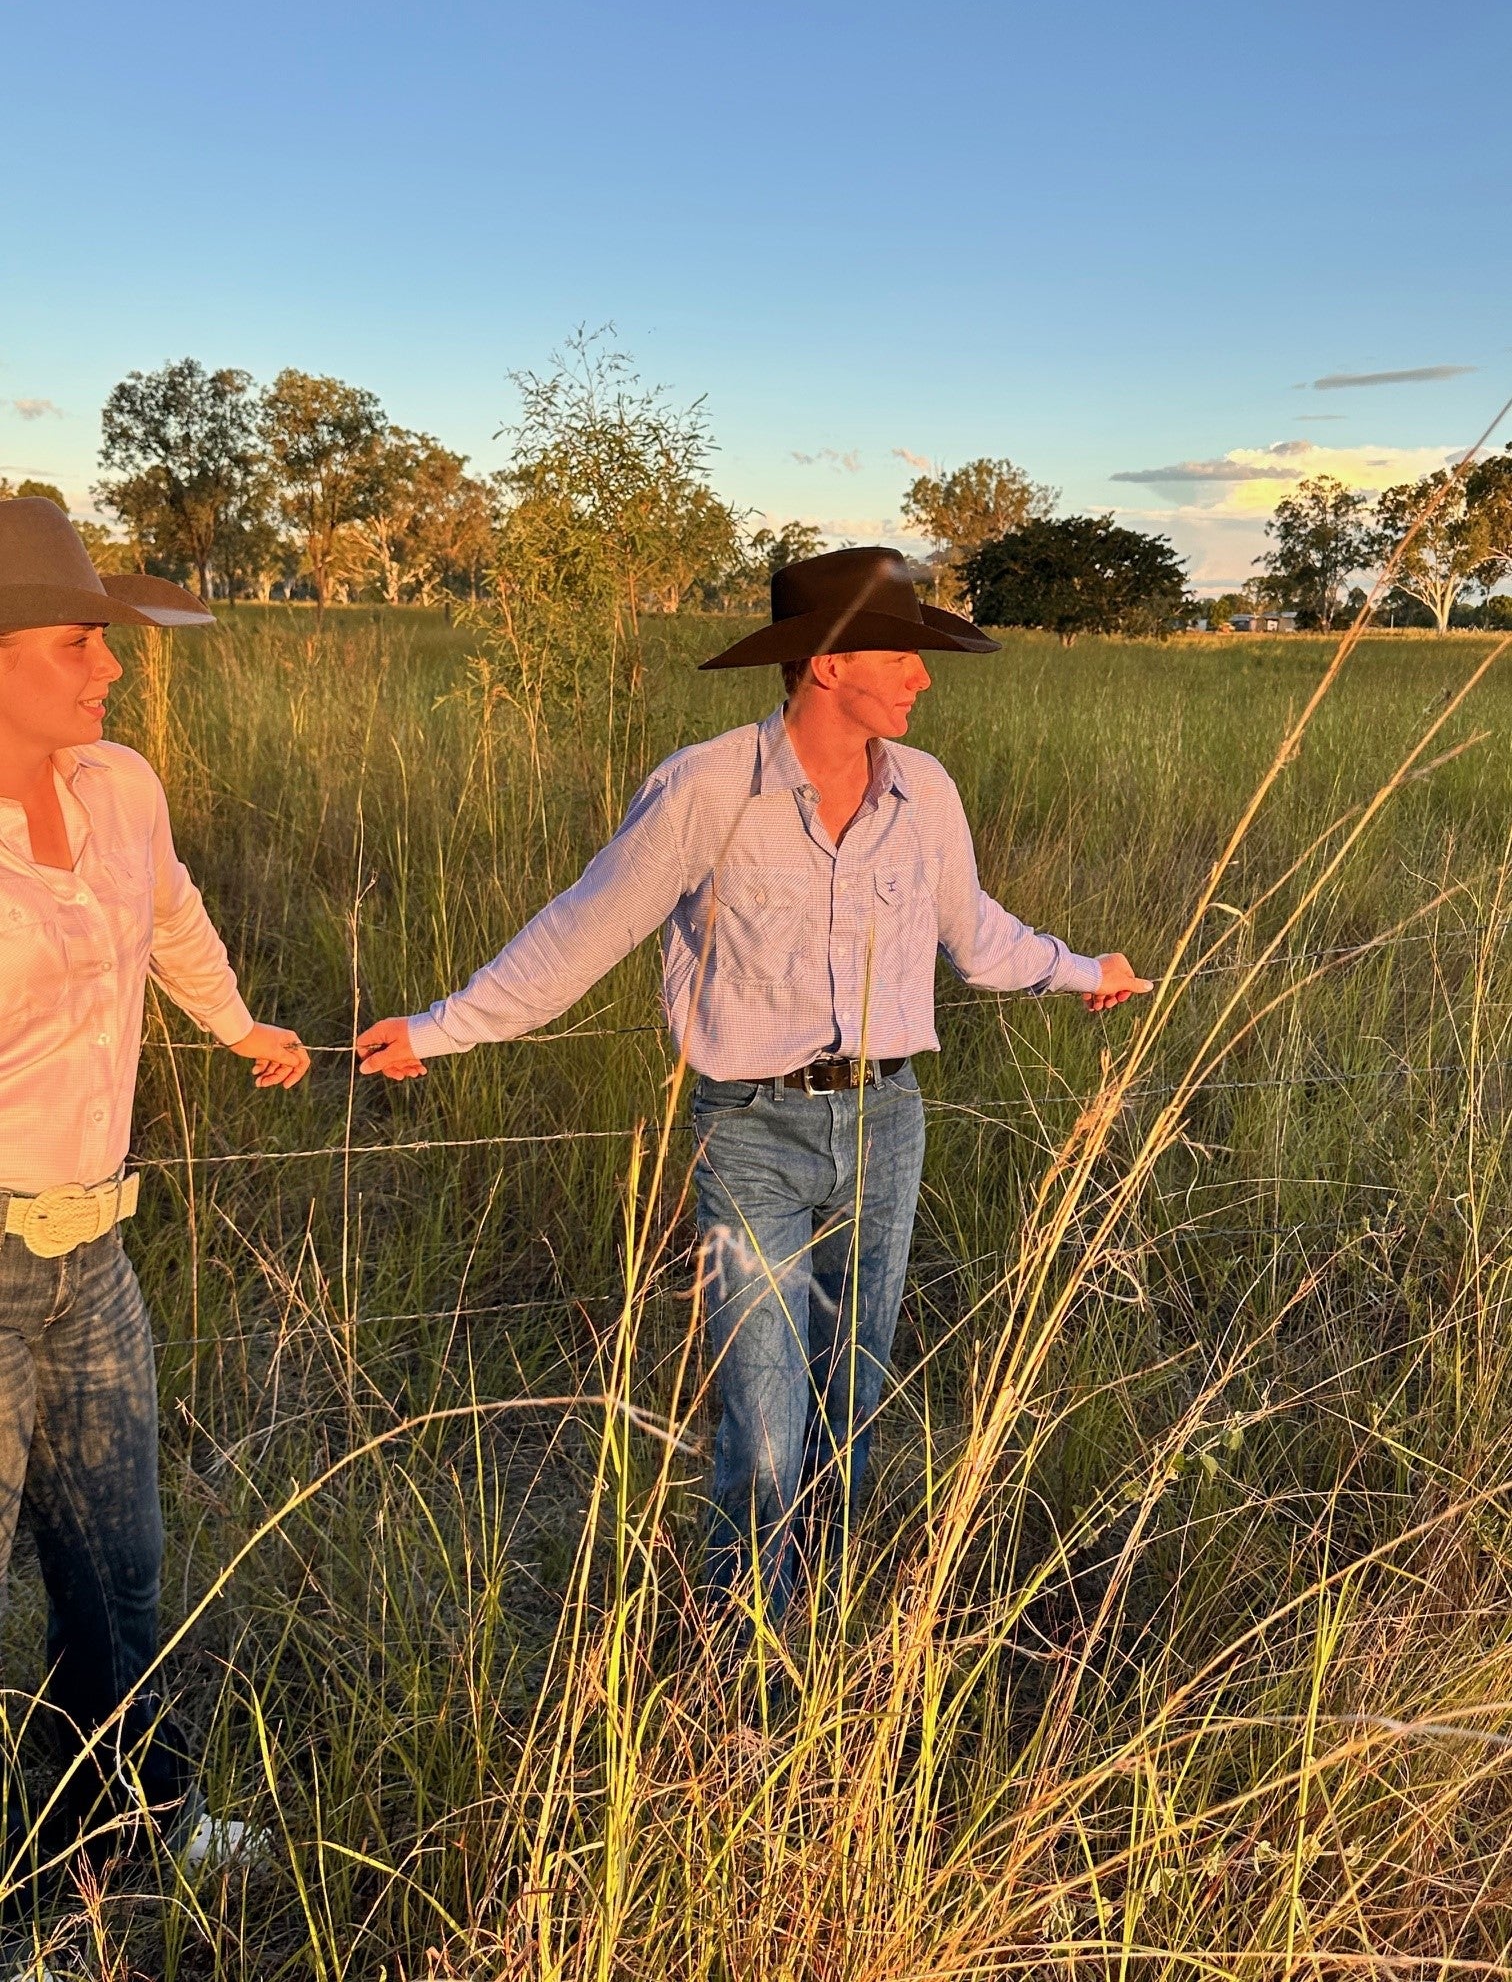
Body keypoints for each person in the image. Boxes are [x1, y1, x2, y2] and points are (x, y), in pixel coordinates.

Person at [356, 547, 1150, 1628]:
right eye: (899, 656)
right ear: (825, 665)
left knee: (853, 1399)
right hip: (750, 1132)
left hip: (887, 1123)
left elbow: (979, 935)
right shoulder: (707, 785)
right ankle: (746, 1648)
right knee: (765, 1415)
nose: (922, 678)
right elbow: (580, 934)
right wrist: (443, 1030)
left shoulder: (926, 795)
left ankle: (823, 1628)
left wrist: (1083, 969)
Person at [0, 498, 309, 1875]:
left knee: (119, 1574)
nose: (111, 665)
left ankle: (136, 1829)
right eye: (80, 641)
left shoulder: (119, 785)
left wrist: (238, 1025)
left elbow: (168, 908)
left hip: (97, 1249)